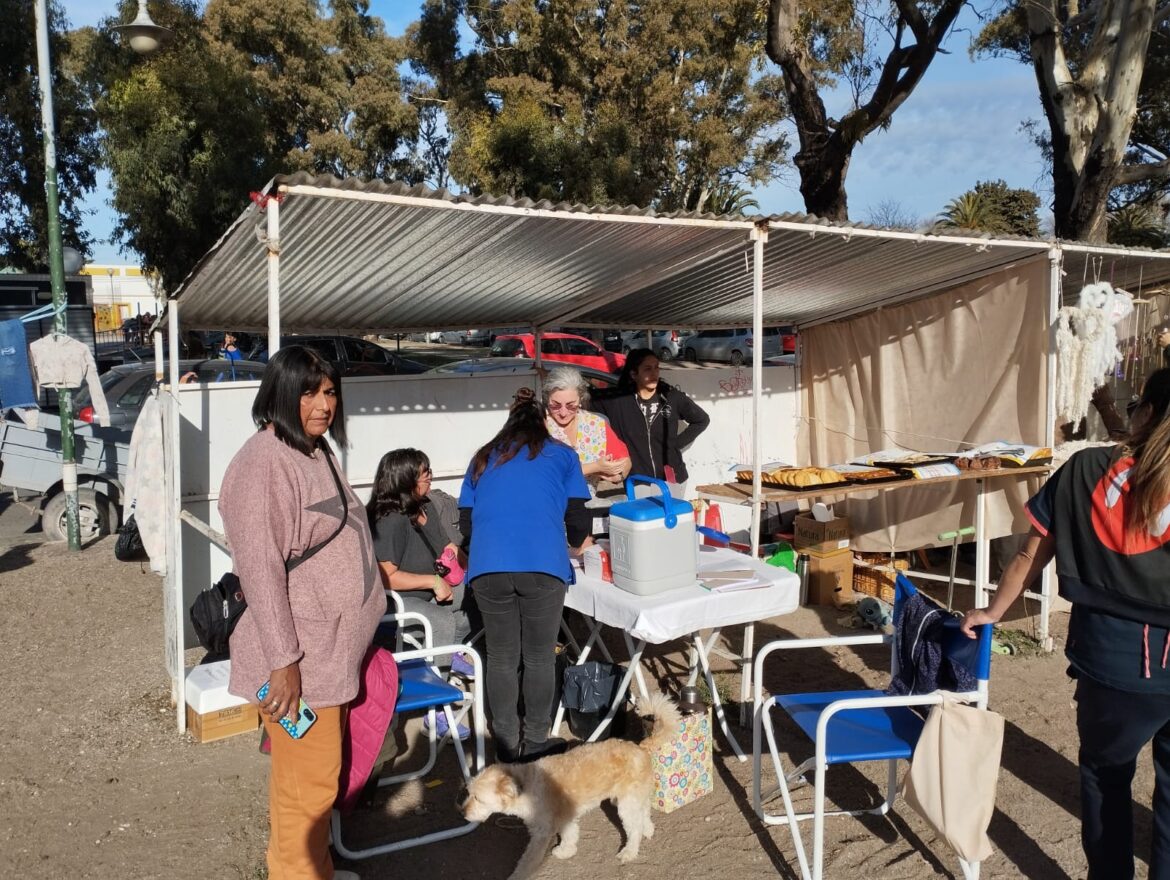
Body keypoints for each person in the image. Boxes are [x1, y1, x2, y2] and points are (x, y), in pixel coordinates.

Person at [961, 367, 1170, 880]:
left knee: (1105, 778)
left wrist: (993, 612)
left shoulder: (1084, 469)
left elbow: (1031, 551)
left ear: (1143, 411)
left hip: (1113, 660)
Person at [219, 345, 382, 880]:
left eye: (330, 391)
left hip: (329, 654)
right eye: (308, 391)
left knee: (320, 778)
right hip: (300, 662)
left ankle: (318, 870)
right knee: (304, 789)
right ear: (280, 394)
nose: (322, 403)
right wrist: (283, 659)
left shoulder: (312, 450)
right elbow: (261, 570)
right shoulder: (263, 463)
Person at [458, 386, 592, 763]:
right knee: (538, 656)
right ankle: (534, 739)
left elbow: (466, 521)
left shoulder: (483, 458)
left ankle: (505, 741)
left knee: (500, 655)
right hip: (542, 566)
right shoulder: (563, 455)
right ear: (543, 422)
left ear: (508, 422)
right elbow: (580, 522)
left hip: (488, 568)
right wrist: (573, 540)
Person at [367, 447, 475, 652]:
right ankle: (436, 680)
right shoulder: (390, 519)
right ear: (404, 479)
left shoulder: (425, 506)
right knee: (442, 622)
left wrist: (477, 572)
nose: (430, 477)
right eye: (423, 473)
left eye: (429, 471)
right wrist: (433, 582)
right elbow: (386, 577)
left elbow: (447, 545)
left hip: (433, 590)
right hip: (398, 601)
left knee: (484, 598)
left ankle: (449, 655)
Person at [590, 348, 710, 496]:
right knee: (647, 519)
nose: (654, 374)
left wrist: (675, 445)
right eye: (647, 369)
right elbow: (581, 401)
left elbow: (701, 420)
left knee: (671, 518)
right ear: (634, 374)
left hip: (673, 478)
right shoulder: (617, 401)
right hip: (639, 480)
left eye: (656, 368)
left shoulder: (671, 397)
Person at [542, 365, 631, 489]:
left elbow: (624, 460)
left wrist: (619, 475)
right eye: (555, 405)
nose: (563, 413)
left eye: (571, 405)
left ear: (581, 399)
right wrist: (595, 467)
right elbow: (546, 471)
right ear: (547, 399)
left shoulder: (595, 424)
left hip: (587, 503)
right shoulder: (538, 424)